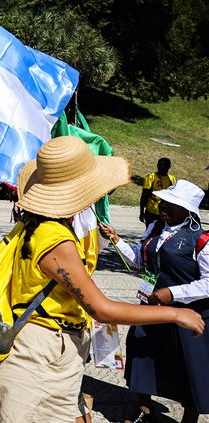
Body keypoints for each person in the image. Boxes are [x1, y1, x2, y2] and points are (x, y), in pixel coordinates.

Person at [0, 136, 204, 423]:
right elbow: (101, 308)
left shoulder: (38, 224)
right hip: (40, 352)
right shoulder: (56, 240)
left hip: (51, 345)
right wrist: (175, 313)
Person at [99, 180, 208, 423]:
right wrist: (117, 240)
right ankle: (144, 410)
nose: (163, 206)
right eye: (164, 201)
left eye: (171, 203)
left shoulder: (201, 240)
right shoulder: (155, 227)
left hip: (187, 313)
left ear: (188, 210)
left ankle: (189, 418)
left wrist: (173, 293)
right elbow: (139, 261)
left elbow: (208, 283)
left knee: (186, 367)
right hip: (151, 307)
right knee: (141, 353)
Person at [140, 158, 175, 227]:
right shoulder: (151, 177)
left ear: (169, 167)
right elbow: (144, 195)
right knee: (150, 235)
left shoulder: (172, 179)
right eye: (160, 165)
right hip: (152, 212)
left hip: (165, 213)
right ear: (157, 165)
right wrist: (141, 211)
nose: (161, 167)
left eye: (164, 165)